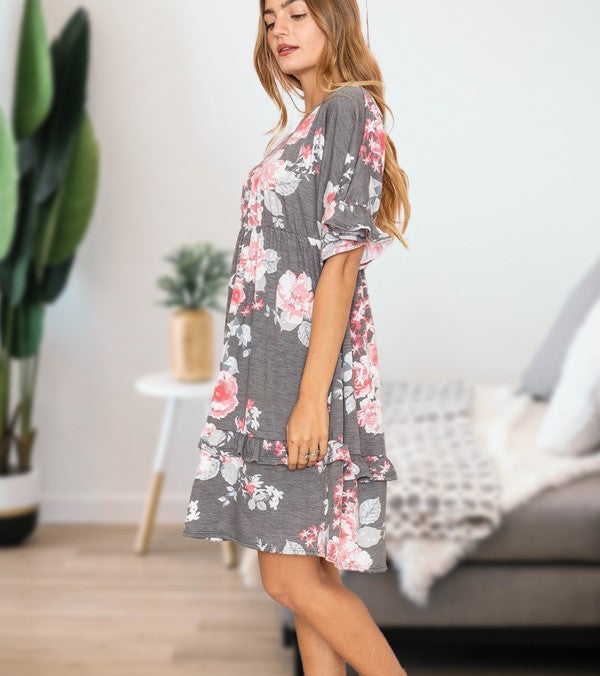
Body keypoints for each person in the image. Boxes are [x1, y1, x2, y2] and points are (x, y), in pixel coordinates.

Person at [183, 1, 410, 673]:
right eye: (270, 17)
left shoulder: (348, 108)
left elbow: (339, 267)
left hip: (306, 376)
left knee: (285, 581)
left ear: (333, 21)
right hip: (266, 375)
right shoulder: (301, 126)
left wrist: (310, 398)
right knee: (309, 586)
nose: (279, 28)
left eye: (297, 13)